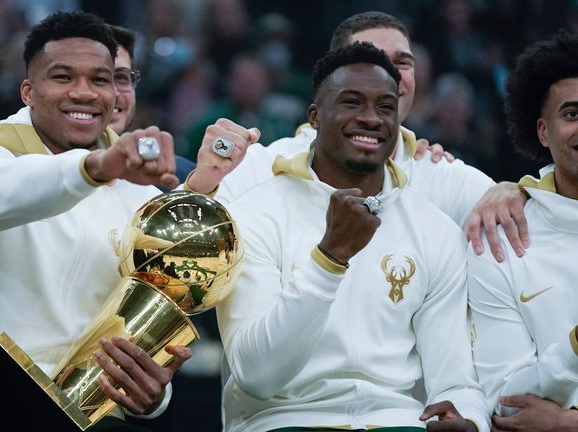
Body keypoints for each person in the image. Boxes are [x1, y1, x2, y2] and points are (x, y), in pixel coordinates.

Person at [0, 11, 255, 431]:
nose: (84, 93)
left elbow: (141, 324)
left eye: (100, 80)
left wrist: (151, 395)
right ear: (28, 91)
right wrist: (98, 166)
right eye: (62, 78)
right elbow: (14, 189)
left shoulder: (145, 202)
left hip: (88, 414)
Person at [217, 42, 489, 432]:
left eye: (385, 107)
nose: (371, 119)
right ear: (315, 117)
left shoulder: (433, 228)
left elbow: (456, 379)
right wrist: (329, 259)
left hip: (397, 421)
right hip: (284, 421)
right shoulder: (254, 215)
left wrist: (470, 419)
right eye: (351, 102)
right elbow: (257, 376)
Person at [186, 11, 528, 264]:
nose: (388, 75)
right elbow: (183, 247)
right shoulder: (261, 164)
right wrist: (201, 185)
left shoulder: (441, 173)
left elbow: (543, 225)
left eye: (402, 63)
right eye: (371, 59)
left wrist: (512, 190)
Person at [467, 31, 578, 432]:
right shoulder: (499, 240)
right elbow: (506, 405)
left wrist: (566, 423)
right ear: (543, 131)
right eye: (572, 114)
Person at [109, 24, 197, 184]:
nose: (113, 92)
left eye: (121, 77)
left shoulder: (183, 178)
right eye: (98, 79)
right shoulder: (51, 176)